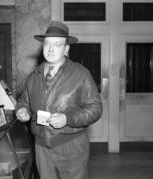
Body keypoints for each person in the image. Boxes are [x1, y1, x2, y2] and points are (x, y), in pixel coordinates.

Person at [15, 20, 102, 179]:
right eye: (47, 44)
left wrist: (68, 118)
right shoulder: (34, 76)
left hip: (72, 146)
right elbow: (24, 101)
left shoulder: (80, 74)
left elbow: (95, 109)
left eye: (57, 44)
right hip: (41, 147)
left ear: (66, 49)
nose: (51, 49)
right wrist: (22, 110)